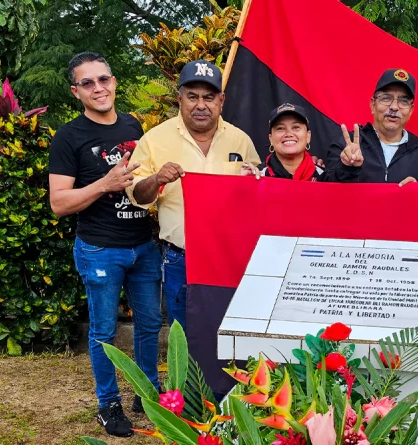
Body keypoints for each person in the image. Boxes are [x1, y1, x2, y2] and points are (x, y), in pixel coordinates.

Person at [48, 52, 162, 437]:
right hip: (100, 248)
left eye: (104, 79)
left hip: (143, 246)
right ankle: (107, 404)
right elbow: (59, 203)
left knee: (149, 325)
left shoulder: (133, 125)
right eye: (87, 83)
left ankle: (147, 392)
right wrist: (104, 184)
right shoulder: (69, 136)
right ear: (75, 91)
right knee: (103, 332)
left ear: (114, 82)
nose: (98, 88)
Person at [126, 60, 260, 331]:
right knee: (185, 335)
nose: (201, 105)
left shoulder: (241, 140)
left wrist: (254, 182)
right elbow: (138, 196)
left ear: (221, 100)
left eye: (209, 97)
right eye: (192, 97)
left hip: (230, 256)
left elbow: (257, 195)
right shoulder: (154, 139)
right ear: (179, 99)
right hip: (181, 259)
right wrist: (156, 179)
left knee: (228, 333)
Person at [326, 68, 418, 185]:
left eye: (403, 101)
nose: (394, 107)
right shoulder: (345, 146)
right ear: (372, 105)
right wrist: (347, 168)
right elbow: (325, 192)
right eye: (386, 98)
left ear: (411, 110)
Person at [241, 103, 363, 181]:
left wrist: (350, 167)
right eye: (280, 128)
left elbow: (342, 187)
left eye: (296, 127)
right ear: (271, 139)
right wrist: (243, 184)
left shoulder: (321, 176)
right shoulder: (258, 176)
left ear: (308, 136)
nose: (288, 133)